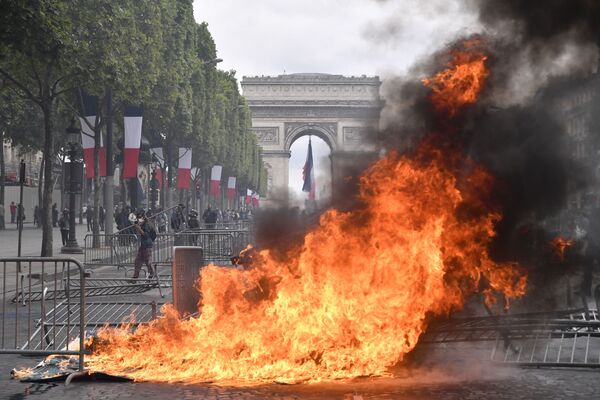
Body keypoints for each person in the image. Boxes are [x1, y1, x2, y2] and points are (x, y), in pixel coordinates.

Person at [132, 209, 156, 280]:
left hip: (147, 246)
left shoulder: (147, 224)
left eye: (139, 217)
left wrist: (138, 228)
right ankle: (135, 278)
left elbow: (146, 235)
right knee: (137, 261)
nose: (138, 219)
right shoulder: (143, 224)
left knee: (148, 262)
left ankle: (152, 276)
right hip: (143, 246)